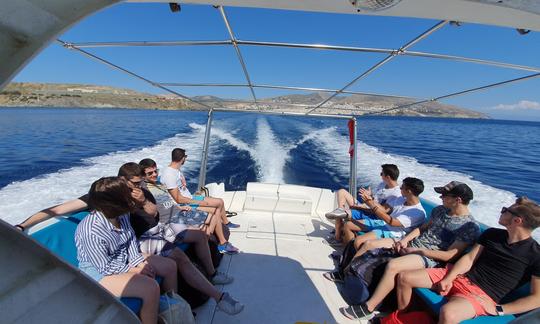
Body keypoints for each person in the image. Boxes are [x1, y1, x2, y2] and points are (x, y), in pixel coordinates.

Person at [18, 163, 244, 315]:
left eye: (141, 182)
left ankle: (174, 306)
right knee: (172, 261)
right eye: (136, 184)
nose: (140, 187)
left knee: (189, 245)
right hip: (132, 246)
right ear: (120, 183)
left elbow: (153, 214)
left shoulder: (132, 199)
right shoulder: (102, 200)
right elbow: (57, 211)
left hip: (135, 244)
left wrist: (141, 200)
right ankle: (189, 303)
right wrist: (23, 225)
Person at [338, 181, 481, 320]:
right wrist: (405, 241)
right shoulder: (440, 210)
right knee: (371, 247)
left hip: (431, 258)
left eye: (444, 195)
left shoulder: (469, 226)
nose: (440, 197)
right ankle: (346, 273)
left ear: (458, 200)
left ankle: (369, 307)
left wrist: (418, 251)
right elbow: (422, 228)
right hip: (412, 244)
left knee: (393, 266)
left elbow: (449, 255)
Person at [397, 196, 540, 324]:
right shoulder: (492, 234)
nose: (501, 212)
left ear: (517, 220)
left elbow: (537, 298)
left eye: (505, 210)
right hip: (460, 277)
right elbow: (470, 259)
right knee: (404, 277)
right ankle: (404, 319)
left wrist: (500, 309)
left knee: (449, 314)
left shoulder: (535, 254)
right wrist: (449, 278)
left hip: (481, 295)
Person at [75, 176, 178, 324]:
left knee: (170, 266)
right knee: (150, 288)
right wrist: (133, 269)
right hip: (97, 273)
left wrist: (138, 262)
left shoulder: (122, 214)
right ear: (113, 203)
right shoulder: (90, 231)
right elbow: (104, 267)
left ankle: (173, 311)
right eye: (126, 194)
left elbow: (130, 240)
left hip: (122, 256)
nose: (132, 196)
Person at [139, 158, 239, 255]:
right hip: (171, 220)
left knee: (214, 216)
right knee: (209, 220)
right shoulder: (144, 189)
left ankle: (220, 244)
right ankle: (209, 244)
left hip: (179, 211)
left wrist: (179, 207)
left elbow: (167, 201)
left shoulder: (158, 183)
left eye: (155, 171)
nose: (155, 174)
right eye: (150, 173)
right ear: (143, 176)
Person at [160, 148, 240, 230]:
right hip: (184, 204)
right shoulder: (169, 174)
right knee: (215, 209)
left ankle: (226, 223)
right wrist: (198, 202)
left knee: (220, 201)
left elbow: (180, 188)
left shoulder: (176, 170)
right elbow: (178, 199)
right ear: (183, 158)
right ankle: (219, 230)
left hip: (190, 198)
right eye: (185, 157)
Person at [324, 164, 402, 246]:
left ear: (388, 177)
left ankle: (337, 237)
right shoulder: (382, 184)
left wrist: (368, 201)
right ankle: (340, 215)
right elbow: (375, 200)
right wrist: (370, 195)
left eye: (382, 174)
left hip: (374, 215)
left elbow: (383, 211)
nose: (380, 175)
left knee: (340, 215)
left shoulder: (396, 194)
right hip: (366, 207)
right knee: (342, 192)